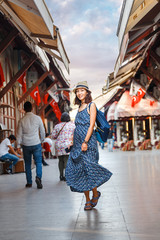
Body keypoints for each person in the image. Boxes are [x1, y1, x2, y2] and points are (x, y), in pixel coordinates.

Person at [65, 81, 112, 211]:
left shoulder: (91, 105)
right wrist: (72, 140)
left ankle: (95, 194)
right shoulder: (78, 108)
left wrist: (85, 142)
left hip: (88, 142)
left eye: (82, 90)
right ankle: (88, 199)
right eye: (77, 91)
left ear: (87, 92)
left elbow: (91, 125)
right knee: (80, 170)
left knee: (89, 168)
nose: (79, 93)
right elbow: (76, 127)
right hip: (77, 143)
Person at [17, 101, 45, 189]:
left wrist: (18, 146)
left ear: (24, 109)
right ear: (32, 108)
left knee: (28, 164)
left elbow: (19, 134)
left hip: (26, 144)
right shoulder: (37, 118)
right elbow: (42, 131)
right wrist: (41, 140)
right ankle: (38, 178)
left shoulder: (21, 120)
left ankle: (29, 182)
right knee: (38, 162)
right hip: (36, 143)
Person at [51, 112, 75, 181]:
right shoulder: (72, 125)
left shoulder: (57, 126)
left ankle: (61, 175)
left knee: (60, 160)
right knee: (66, 160)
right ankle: (67, 175)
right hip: (68, 145)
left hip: (59, 145)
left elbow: (53, 136)